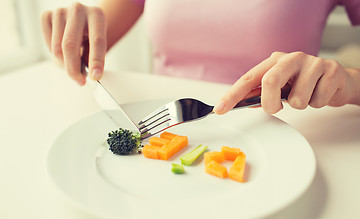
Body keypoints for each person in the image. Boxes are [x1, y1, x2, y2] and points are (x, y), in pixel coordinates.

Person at [41, 0, 360, 115]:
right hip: (172, 139)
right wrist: (72, 34)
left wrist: (349, 81)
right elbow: (82, 48)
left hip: (292, 132)